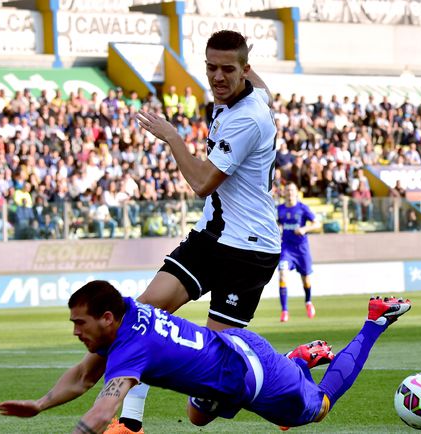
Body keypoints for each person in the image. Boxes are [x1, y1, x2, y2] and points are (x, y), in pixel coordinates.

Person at [119, 30, 279, 433]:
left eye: (228, 69)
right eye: (211, 67)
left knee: (201, 410)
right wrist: (241, 57)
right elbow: (264, 90)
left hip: (248, 249)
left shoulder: (247, 118)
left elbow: (203, 182)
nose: (218, 77)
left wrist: (172, 136)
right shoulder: (251, 95)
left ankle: (284, 374)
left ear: (244, 69)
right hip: (212, 235)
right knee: (141, 316)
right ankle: (129, 422)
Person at [0, 280, 412, 433]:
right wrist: (40, 404)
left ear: (106, 318)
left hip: (252, 373)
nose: (75, 332)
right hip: (225, 358)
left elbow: (104, 411)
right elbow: (84, 376)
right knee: (196, 419)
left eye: (79, 323)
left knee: (317, 408)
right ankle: (297, 361)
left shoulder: (129, 348)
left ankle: (374, 321)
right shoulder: (128, 311)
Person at [277, 183, 322, 322]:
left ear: (296, 192)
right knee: (282, 275)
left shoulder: (303, 208)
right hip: (286, 249)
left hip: (302, 249)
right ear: (284, 193)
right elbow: (276, 223)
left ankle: (308, 302)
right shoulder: (279, 209)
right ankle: (284, 311)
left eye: (292, 190)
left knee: (306, 279)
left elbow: (317, 224)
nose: (290, 192)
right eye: (287, 190)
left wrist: (304, 229)